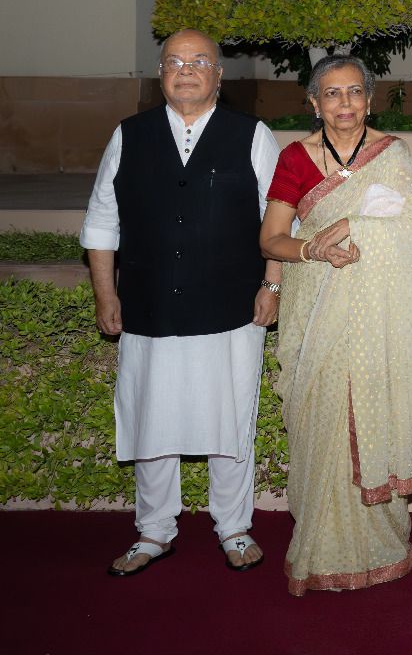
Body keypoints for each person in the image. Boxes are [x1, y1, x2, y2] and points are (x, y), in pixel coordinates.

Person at [81, 29, 281, 576]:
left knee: (231, 417)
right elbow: (101, 223)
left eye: (199, 61)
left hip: (232, 309)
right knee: (152, 419)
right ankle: (154, 531)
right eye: (174, 61)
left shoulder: (252, 134)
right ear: (160, 73)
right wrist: (106, 293)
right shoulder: (129, 135)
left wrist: (273, 285)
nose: (186, 70)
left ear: (219, 75)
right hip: (148, 305)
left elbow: (280, 220)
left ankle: (234, 527)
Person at [259, 55, 412, 595]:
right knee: (322, 422)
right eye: (331, 94)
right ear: (313, 103)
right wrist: (313, 246)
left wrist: (352, 224)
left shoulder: (393, 154)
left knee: (373, 410)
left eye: (354, 92)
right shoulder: (295, 158)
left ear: (369, 97)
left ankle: (381, 547)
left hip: (379, 319)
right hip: (317, 305)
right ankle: (318, 547)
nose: (344, 104)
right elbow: (271, 239)